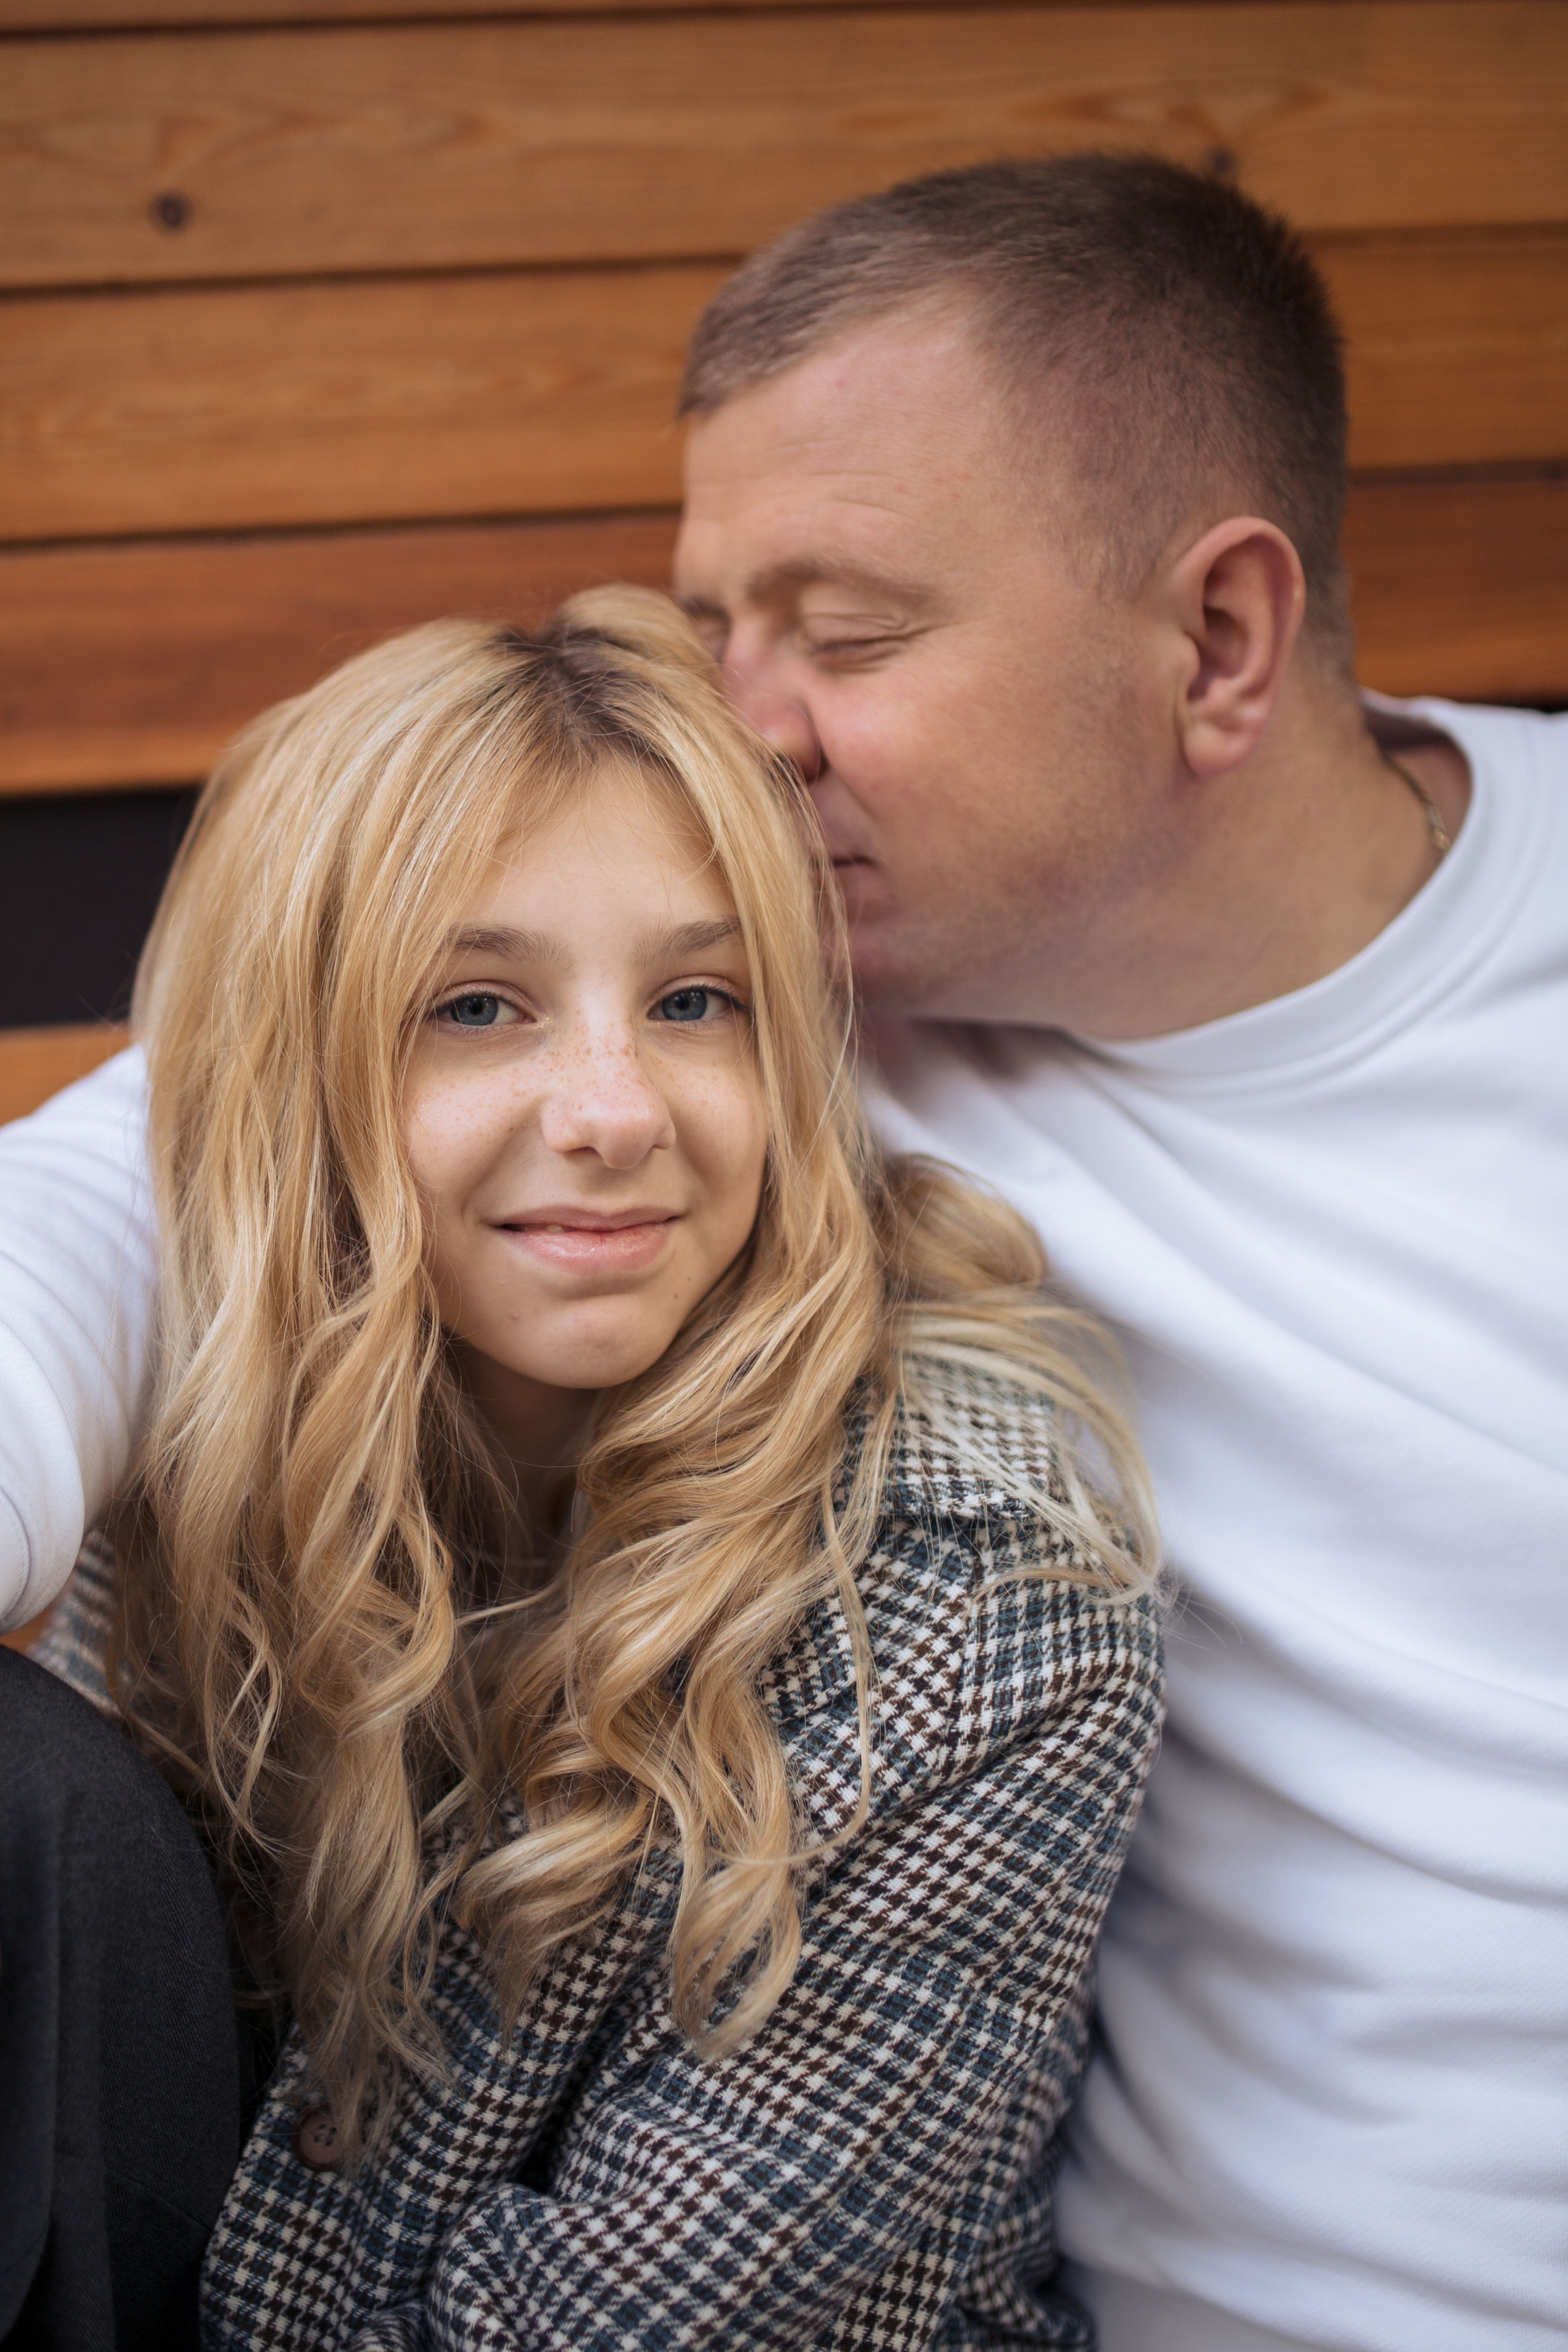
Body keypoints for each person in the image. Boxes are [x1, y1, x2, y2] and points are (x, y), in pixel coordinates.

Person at [0, 148, 1564, 2350]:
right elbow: (179, 1139)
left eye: (842, 633)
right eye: (718, 620)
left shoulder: (964, 1516)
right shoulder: (792, 973)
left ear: (1218, 638)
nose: (746, 717)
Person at [1, 590, 1161, 2348]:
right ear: (298, 1071)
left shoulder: (979, 1597)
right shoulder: (205, 1399)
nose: (616, 1110)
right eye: (478, 1007)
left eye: (697, 1000)